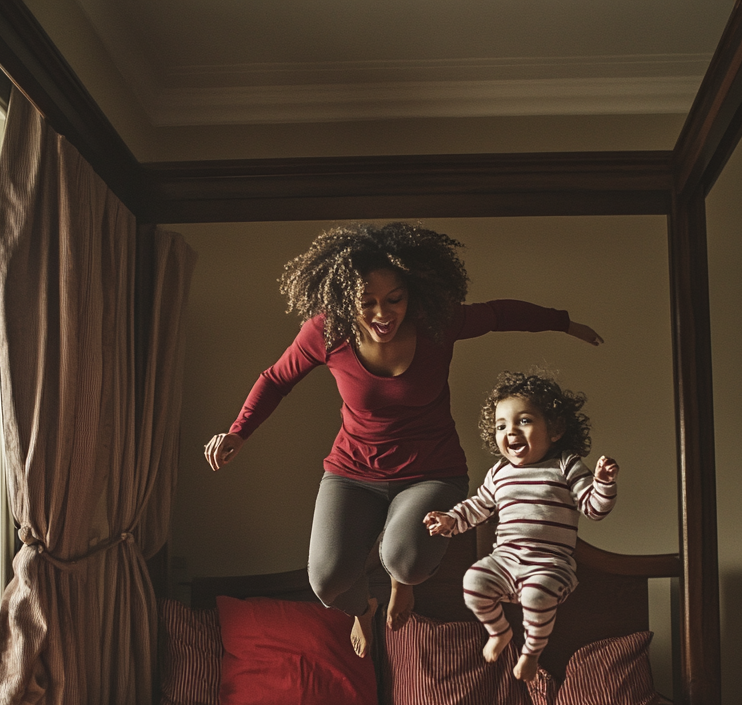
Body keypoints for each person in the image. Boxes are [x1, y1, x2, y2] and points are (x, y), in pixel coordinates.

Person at [204, 223, 603, 657]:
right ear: (344, 301)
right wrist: (239, 431)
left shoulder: (437, 323)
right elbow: (275, 379)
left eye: (394, 299)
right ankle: (364, 610)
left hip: (431, 472)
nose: (382, 314)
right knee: (326, 581)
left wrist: (564, 323)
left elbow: (500, 314)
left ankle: (402, 583)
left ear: (412, 292)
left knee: (405, 558)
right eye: (367, 303)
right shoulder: (326, 333)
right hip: (352, 474)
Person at [424, 371, 618, 682]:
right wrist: (449, 520)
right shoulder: (499, 472)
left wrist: (604, 484)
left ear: (554, 429)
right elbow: (477, 507)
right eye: (501, 426)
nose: (510, 431)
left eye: (524, 421)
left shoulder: (565, 466)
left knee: (536, 596)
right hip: (505, 560)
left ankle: (530, 652)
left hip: (550, 564)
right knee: (473, 581)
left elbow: (594, 509)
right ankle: (499, 632)